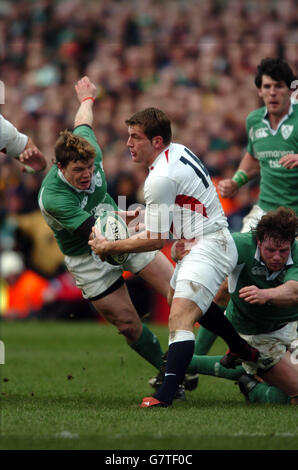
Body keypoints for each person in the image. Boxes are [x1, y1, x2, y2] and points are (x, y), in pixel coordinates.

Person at [89, 106, 259, 408]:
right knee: (177, 298)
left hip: (209, 245)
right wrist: (140, 216)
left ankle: (164, 396)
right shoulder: (176, 152)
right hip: (204, 239)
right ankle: (239, 348)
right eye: (128, 136)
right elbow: (177, 208)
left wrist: (109, 247)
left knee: (180, 315)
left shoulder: (159, 177)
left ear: (156, 141)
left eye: (135, 137)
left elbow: (154, 241)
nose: (128, 143)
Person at [38, 76, 176, 381]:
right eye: (78, 171)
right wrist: (126, 217)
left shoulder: (88, 150)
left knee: (180, 292)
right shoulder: (53, 198)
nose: (87, 174)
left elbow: (82, 121)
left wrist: (86, 98)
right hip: (87, 254)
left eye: (90, 167)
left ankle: (235, 354)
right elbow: (97, 234)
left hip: (117, 232)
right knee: (128, 325)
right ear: (60, 167)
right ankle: (170, 373)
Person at [196, 57, 298, 356]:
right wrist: (237, 181)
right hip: (264, 213)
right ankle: (194, 361)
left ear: (288, 90)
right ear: (259, 91)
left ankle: (276, 350)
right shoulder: (254, 121)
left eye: (279, 86)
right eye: (267, 86)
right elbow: (253, 159)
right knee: (227, 285)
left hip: (296, 219)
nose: (273, 92)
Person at [179, 207, 298, 405]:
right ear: (258, 242)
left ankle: (245, 378)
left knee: (286, 390)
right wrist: (183, 255)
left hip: (290, 326)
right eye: (270, 250)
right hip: (255, 336)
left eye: (283, 251)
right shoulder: (239, 245)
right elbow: (204, 256)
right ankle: (188, 361)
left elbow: (294, 292)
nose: (277, 256)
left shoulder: (296, 250)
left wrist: (265, 294)